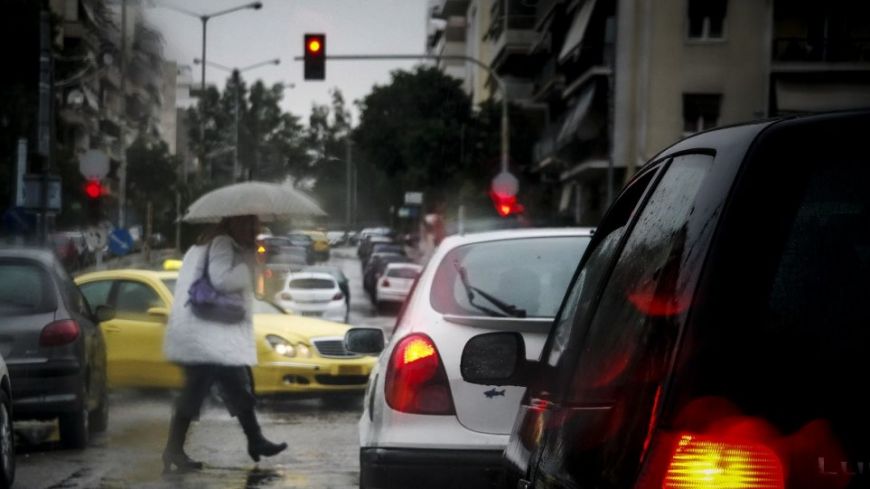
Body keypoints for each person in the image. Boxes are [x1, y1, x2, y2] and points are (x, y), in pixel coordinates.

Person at [161, 215, 287, 473]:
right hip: (207, 338)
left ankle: (255, 440)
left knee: (235, 386)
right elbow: (221, 281)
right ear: (232, 223)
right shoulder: (222, 243)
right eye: (247, 224)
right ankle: (174, 449)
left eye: (255, 226)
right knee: (199, 391)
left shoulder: (212, 244)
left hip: (209, 334)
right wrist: (245, 267)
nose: (253, 230)